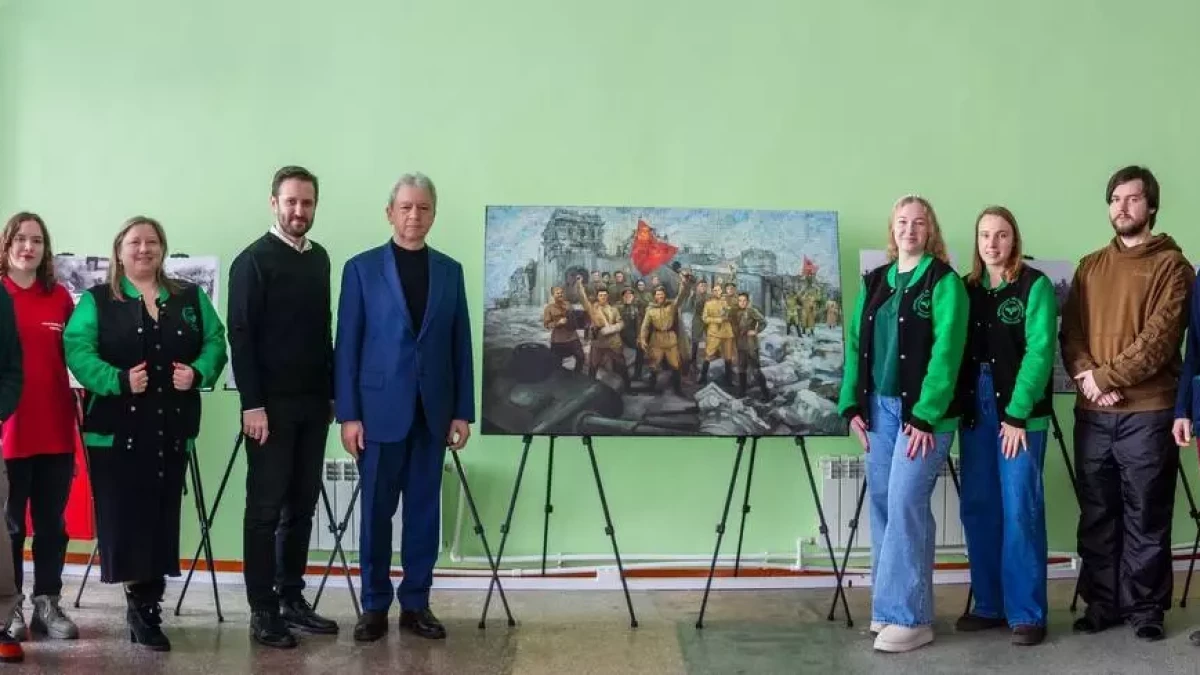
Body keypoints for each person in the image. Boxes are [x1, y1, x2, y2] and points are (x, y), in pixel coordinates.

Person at [63, 216, 227, 652]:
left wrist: (198, 372)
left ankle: (149, 604)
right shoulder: (97, 300)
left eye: (152, 241)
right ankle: (141, 608)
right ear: (119, 250)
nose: (144, 248)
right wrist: (117, 380)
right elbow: (76, 349)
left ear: (162, 249)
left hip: (170, 429)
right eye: (134, 242)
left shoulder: (189, 297)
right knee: (127, 520)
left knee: (159, 517)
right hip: (115, 434)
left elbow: (216, 341)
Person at [335, 173, 474, 643]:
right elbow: (347, 345)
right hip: (377, 414)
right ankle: (374, 605)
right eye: (407, 207)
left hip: (433, 414)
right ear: (390, 212)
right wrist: (349, 415)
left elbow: (460, 344)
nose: (415, 216)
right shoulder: (361, 269)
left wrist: (462, 411)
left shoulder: (450, 271)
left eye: (424, 208)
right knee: (376, 514)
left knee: (423, 514)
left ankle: (416, 603)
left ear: (434, 214)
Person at [1060, 165, 1194, 641]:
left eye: (1132, 198)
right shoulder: (1089, 266)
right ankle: (1103, 603)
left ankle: (1146, 608)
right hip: (1093, 415)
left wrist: (1103, 377)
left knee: (1146, 514)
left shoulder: (1174, 268)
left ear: (1151, 206)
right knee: (1097, 513)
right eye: (1115, 199)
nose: (1122, 207)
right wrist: (1090, 380)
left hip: (1148, 414)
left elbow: (1158, 341)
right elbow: (1071, 333)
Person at [837, 194, 968, 653]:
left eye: (919, 223)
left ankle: (910, 618)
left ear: (931, 231)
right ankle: (887, 607)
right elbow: (856, 345)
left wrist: (925, 415)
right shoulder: (875, 281)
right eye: (902, 222)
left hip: (923, 416)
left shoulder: (944, 282)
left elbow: (947, 352)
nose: (909, 230)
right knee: (883, 505)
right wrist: (851, 405)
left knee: (905, 502)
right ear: (892, 229)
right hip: (878, 410)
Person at [227, 166, 339, 649]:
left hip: (313, 405)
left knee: (303, 506)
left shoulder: (320, 259)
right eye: (291, 201)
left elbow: (323, 328)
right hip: (268, 410)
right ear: (274, 203)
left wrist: (332, 393)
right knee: (265, 509)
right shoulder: (252, 261)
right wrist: (251, 404)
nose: (299, 210)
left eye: (307, 202)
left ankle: (291, 597)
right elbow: (241, 336)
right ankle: (263, 610)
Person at [953, 207, 1056, 646]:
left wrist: (1016, 414)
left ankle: (1027, 613)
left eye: (1001, 235)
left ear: (1015, 239)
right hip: (975, 407)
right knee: (978, 506)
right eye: (984, 235)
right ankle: (989, 605)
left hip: (1019, 412)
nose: (992, 243)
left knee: (1020, 507)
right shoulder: (965, 288)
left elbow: (1040, 352)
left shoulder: (1035, 285)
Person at [0, 213, 78, 642]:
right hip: (10, 430)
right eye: (20, 239)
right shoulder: (0, 294)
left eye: (37, 240)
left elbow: (78, 358)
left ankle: (47, 603)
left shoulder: (60, 298)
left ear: (46, 249)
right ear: (6, 244)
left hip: (55, 429)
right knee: (11, 526)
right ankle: (9, 607)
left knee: (52, 524)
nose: (28, 247)